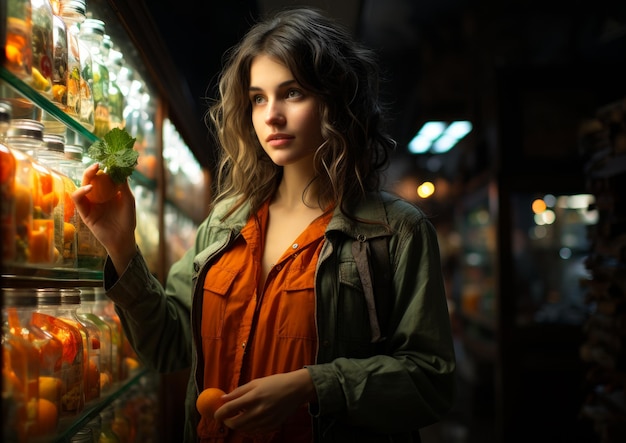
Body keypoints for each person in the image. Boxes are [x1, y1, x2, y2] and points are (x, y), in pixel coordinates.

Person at [72, 7, 456, 443]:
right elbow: (166, 344)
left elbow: (431, 381)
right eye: (258, 98)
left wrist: (310, 385)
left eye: (291, 93)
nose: (271, 115)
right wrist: (122, 248)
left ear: (335, 100)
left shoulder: (395, 232)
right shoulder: (224, 222)